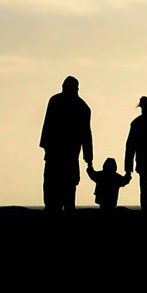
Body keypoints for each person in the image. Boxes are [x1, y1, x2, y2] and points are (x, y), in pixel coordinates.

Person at [39, 76, 93, 212]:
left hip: (65, 154)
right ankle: (55, 208)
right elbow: (48, 126)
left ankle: (57, 208)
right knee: (55, 185)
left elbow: (86, 134)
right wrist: (88, 158)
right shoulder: (80, 106)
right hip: (58, 153)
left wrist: (88, 157)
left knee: (63, 185)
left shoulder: (79, 107)